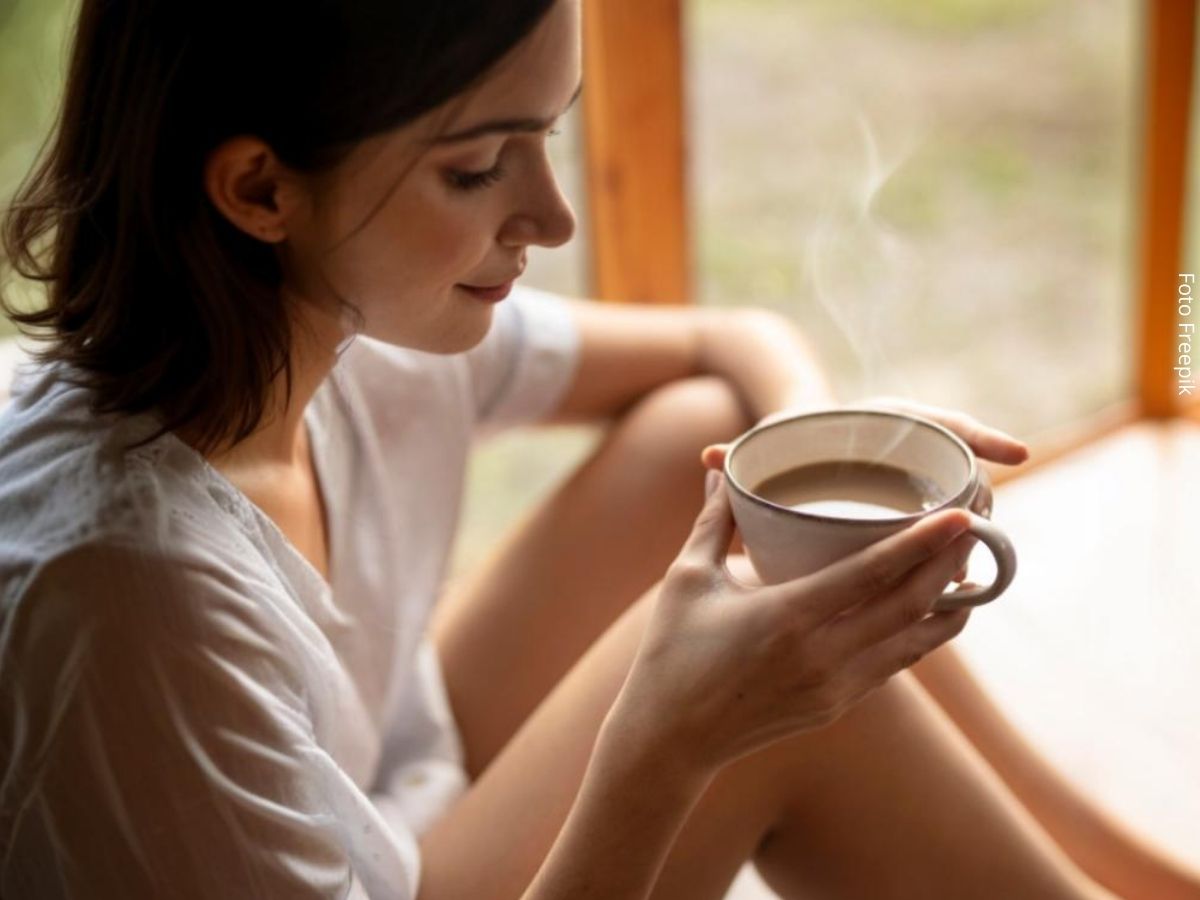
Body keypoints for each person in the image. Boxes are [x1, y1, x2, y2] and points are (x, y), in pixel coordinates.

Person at [0, 1, 1196, 898]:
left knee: (712, 454)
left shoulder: (328, 317)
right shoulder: (128, 600)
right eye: (476, 167)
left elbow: (728, 346)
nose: (551, 218)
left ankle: (1132, 879)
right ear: (260, 188)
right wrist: (667, 749)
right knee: (796, 686)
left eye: (547, 137)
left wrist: (823, 468)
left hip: (380, 800)